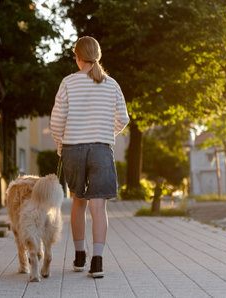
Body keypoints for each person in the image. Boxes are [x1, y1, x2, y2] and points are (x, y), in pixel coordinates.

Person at [50, 36, 129, 278]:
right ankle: (97, 262)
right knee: (98, 206)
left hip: (73, 148)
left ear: (77, 57)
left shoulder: (68, 83)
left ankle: (79, 256)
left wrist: (60, 146)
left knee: (78, 202)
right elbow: (123, 118)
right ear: (98, 55)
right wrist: (106, 132)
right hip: (102, 149)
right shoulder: (112, 84)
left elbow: (56, 122)